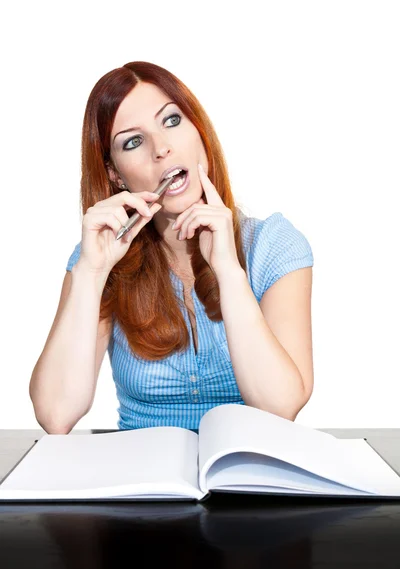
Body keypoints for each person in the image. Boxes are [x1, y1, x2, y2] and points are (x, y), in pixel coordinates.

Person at [29, 61, 314, 435]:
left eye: (172, 121)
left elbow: (281, 406)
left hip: (247, 480)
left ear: (199, 132)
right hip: (143, 481)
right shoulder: (98, 257)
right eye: (133, 141)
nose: (161, 148)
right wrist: (91, 273)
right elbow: (55, 414)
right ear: (116, 174)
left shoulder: (274, 246)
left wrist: (229, 271)